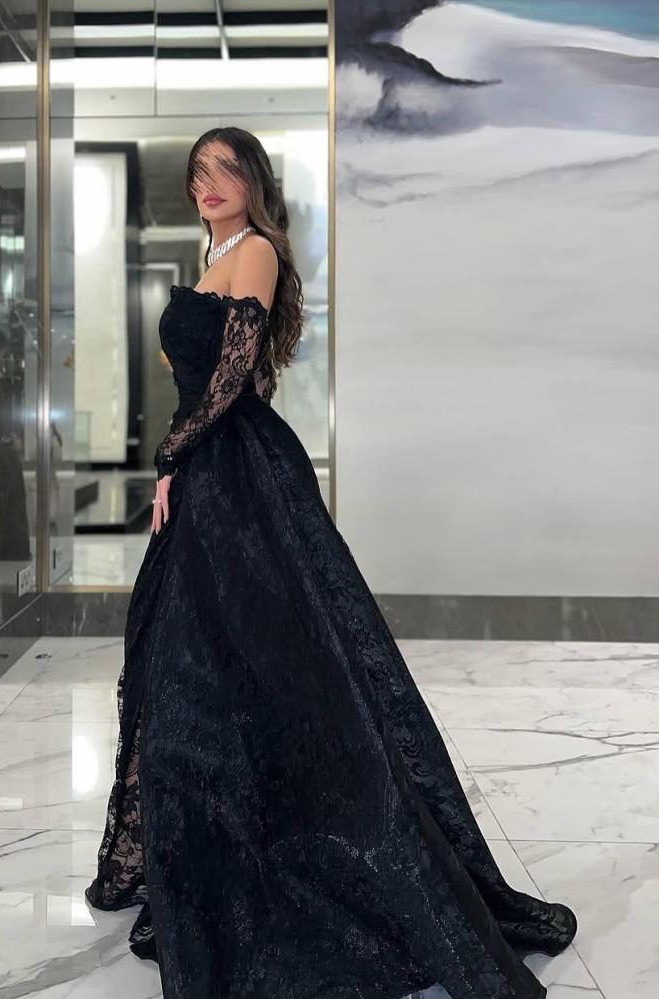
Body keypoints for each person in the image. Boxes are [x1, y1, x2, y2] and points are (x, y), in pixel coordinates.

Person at [85, 126, 577, 999]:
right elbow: (220, 377)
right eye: (198, 172)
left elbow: (233, 377)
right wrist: (181, 460)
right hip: (214, 472)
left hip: (237, 474)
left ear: (253, 181)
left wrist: (170, 455)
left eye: (225, 170)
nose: (208, 183)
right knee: (186, 662)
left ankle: (312, 850)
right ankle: (194, 845)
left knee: (279, 668)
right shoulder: (214, 256)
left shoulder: (256, 251)